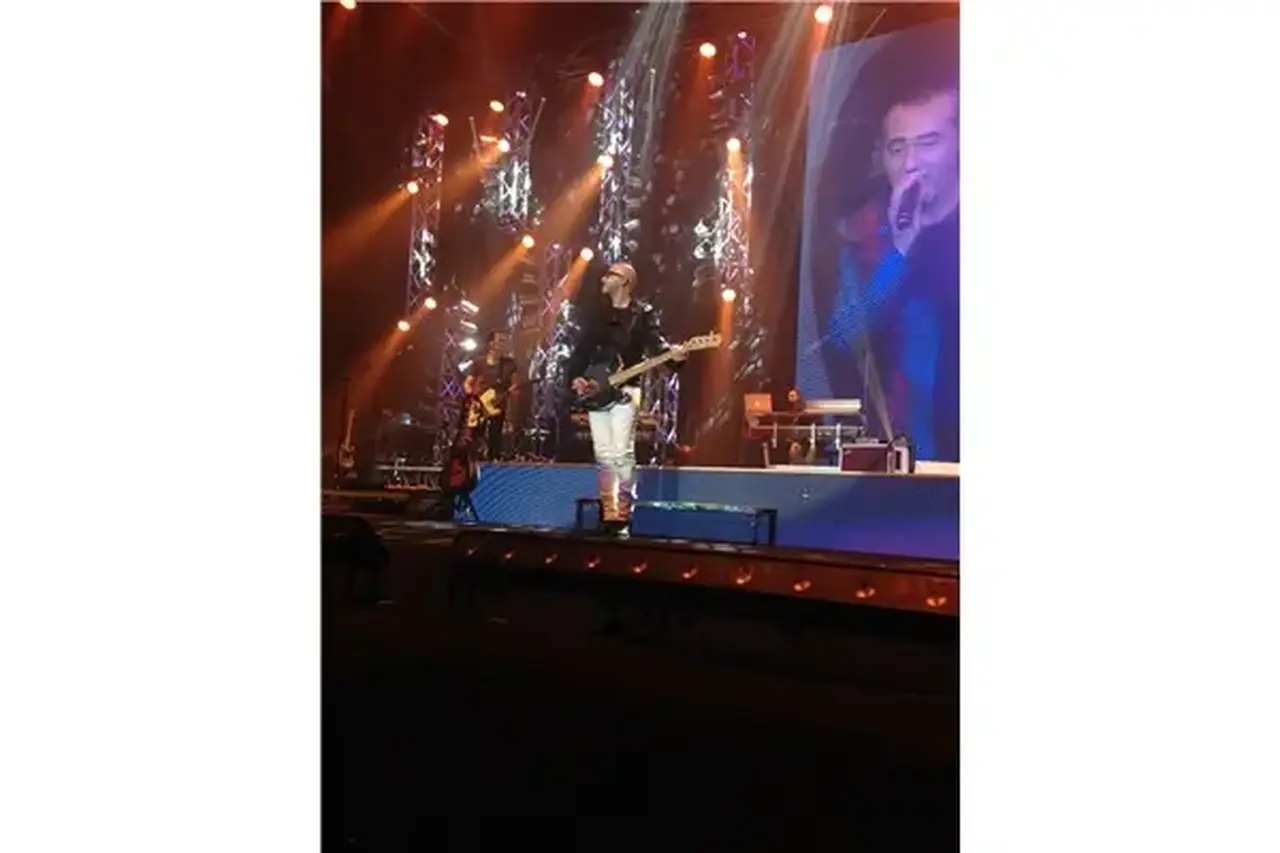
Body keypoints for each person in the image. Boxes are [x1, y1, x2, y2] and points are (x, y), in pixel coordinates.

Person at [823, 57, 960, 462]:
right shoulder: (867, 239)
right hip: (908, 461)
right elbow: (845, 337)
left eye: (929, 143)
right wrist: (899, 252)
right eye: (898, 148)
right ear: (882, 158)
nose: (911, 163)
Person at [566, 261, 686, 537]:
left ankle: (623, 509)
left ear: (625, 281)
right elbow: (583, 349)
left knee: (622, 451)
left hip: (626, 389)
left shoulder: (642, 313)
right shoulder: (598, 314)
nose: (603, 279)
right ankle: (608, 510)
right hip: (597, 387)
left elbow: (655, 345)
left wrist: (675, 357)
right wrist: (577, 377)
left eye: (611, 275)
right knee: (604, 454)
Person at [462, 330, 518, 461]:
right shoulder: (479, 362)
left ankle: (493, 461)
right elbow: (468, 383)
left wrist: (513, 390)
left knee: (495, 435)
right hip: (480, 405)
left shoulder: (510, 364)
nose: (504, 343)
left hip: (498, 405)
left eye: (505, 341)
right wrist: (473, 398)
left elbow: (514, 384)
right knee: (476, 436)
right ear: (491, 344)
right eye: (501, 340)